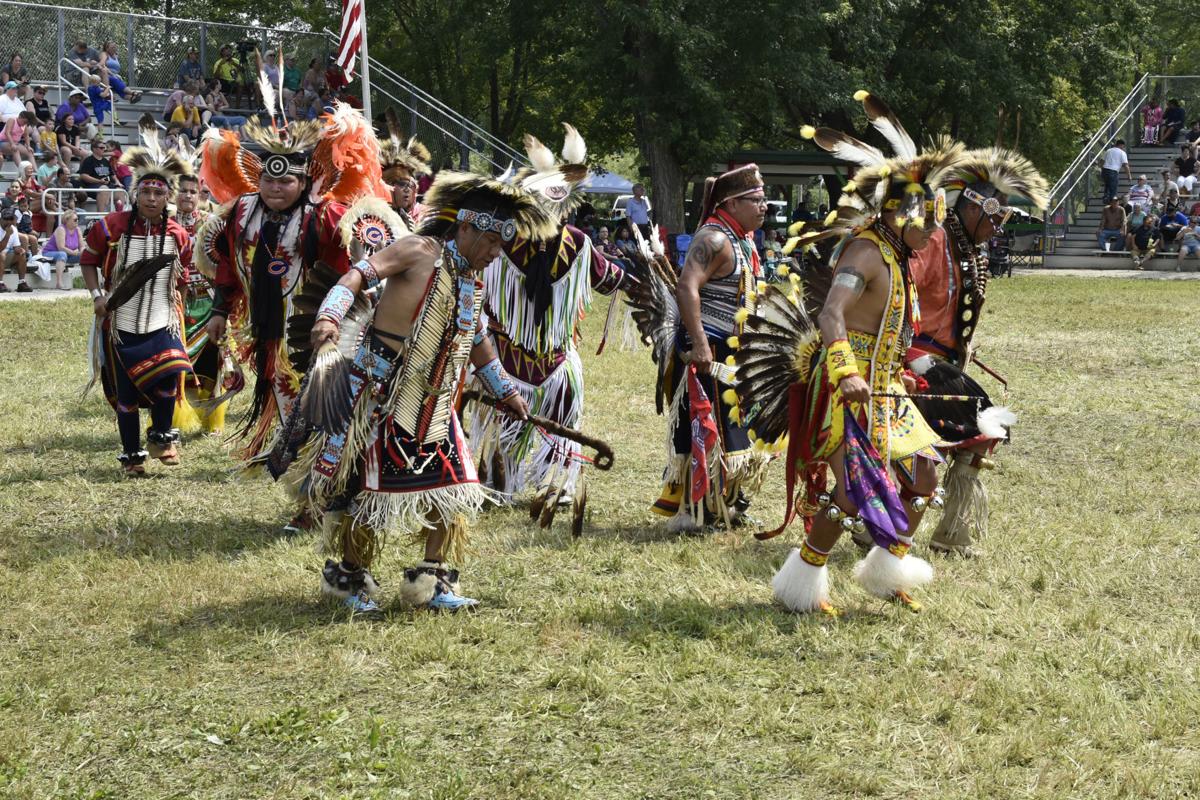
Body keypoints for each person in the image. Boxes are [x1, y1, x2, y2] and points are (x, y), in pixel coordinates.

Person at [294, 169, 553, 613]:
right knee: (367, 494)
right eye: (491, 242)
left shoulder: (472, 279)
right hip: (382, 394)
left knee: (454, 488)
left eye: (500, 247)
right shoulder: (419, 250)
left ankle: (430, 583)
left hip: (435, 402)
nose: (496, 253)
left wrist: (506, 391)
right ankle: (349, 581)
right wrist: (329, 318)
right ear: (467, 227)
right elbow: (357, 276)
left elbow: (478, 342)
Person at [751, 91, 966, 615]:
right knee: (848, 496)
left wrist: (900, 369)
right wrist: (847, 372)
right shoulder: (866, 252)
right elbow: (831, 314)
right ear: (904, 213)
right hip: (849, 386)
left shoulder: (897, 256)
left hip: (886, 386)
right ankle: (799, 586)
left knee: (925, 476)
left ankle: (887, 571)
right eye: (930, 220)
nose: (935, 230)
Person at [196, 103, 379, 478]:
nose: (275, 189)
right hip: (268, 330)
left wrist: (340, 321)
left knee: (317, 406)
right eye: (269, 181)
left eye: (285, 183)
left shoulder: (324, 216)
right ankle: (305, 476)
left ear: (302, 182)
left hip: (316, 330)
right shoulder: (242, 212)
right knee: (287, 404)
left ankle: (322, 476)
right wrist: (219, 310)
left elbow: (347, 272)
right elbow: (230, 264)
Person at [469, 127, 629, 516]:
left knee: (524, 426)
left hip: (522, 360)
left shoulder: (509, 237)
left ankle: (521, 486)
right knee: (525, 424)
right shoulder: (569, 241)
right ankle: (530, 484)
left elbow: (612, 279)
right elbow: (611, 279)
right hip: (531, 360)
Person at [904, 149, 1047, 556]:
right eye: (996, 217)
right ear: (973, 209)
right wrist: (906, 357)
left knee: (955, 436)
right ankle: (941, 533)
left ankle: (944, 531)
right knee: (981, 424)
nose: (999, 228)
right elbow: (898, 293)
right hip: (914, 357)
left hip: (939, 357)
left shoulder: (965, 244)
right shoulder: (933, 240)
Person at [650, 163, 771, 532]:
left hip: (736, 351)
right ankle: (699, 509)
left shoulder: (742, 238)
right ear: (732, 203)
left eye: (765, 200)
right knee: (709, 429)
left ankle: (728, 503)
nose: (764, 206)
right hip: (711, 350)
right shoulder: (714, 238)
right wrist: (700, 343)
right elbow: (687, 287)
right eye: (757, 200)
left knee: (736, 429)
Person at [80, 129, 195, 475]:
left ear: (167, 198)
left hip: (163, 317)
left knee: (168, 377)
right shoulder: (110, 227)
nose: (150, 198)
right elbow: (87, 261)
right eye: (144, 191)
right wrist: (98, 296)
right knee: (127, 393)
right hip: (120, 322)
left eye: (157, 192)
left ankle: (161, 437)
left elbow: (183, 275)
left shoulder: (178, 234)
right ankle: (132, 457)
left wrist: (180, 311)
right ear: (135, 194)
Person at [377, 112, 431, 227]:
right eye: (401, 184)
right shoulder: (375, 216)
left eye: (410, 184)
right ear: (388, 187)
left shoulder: (424, 215)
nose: (407, 189)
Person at [41, 209, 83, 289]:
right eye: (75, 219)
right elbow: (61, 248)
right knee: (62, 254)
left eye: (78, 219)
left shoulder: (77, 230)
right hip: (50, 253)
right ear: (67, 220)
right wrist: (73, 252)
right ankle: (59, 283)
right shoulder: (61, 229)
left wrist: (82, 251)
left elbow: (82, 246)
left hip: (69, 254)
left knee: (86, 254)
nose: (77, 221)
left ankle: (85, 281)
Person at [74, 138, 119, 213]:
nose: (104, 149)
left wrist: (117, 182)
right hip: (92, 186)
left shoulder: (105, 161)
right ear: (94, 149)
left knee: (120, 191)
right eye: (101, 148)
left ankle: (119, 216)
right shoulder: (88, 160)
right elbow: (83, 176)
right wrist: (99, 181)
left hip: (106, 185)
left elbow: (112, 174)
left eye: (104, 148)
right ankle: (100, 218)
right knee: (104, 189)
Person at [0, 207, 31, 292]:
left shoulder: (13, 229)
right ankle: (0, 283)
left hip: (5, 258)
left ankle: (21, 283)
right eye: (6, 219)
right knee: (1, 254)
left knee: (21, 255)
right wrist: (7, 235)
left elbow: (16, 247)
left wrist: (20, 250)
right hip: (1, 255)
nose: (8, 222)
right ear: (1, 218)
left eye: (10, 219)